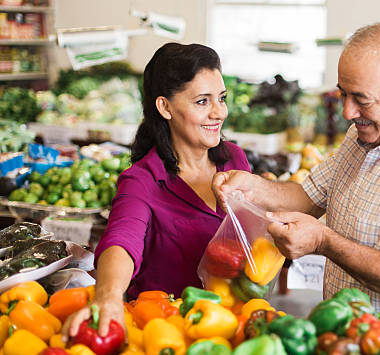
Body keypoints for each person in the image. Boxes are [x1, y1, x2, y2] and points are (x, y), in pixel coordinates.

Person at [213, 23, 380, 336]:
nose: (348, 112)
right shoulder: (362, 136)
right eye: (343, 94)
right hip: (348, 340)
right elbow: (308, 197)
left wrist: (324, 241)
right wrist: (254, 186)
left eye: (361, 99)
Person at [63, 43, 250, 338]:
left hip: (234, 324)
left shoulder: (235, 160)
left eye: (221, 98)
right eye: (203, 101)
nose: (219, 112)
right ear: (165, 107)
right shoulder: (143, 180)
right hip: (168, 334)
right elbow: (122, 240)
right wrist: (109, 295)